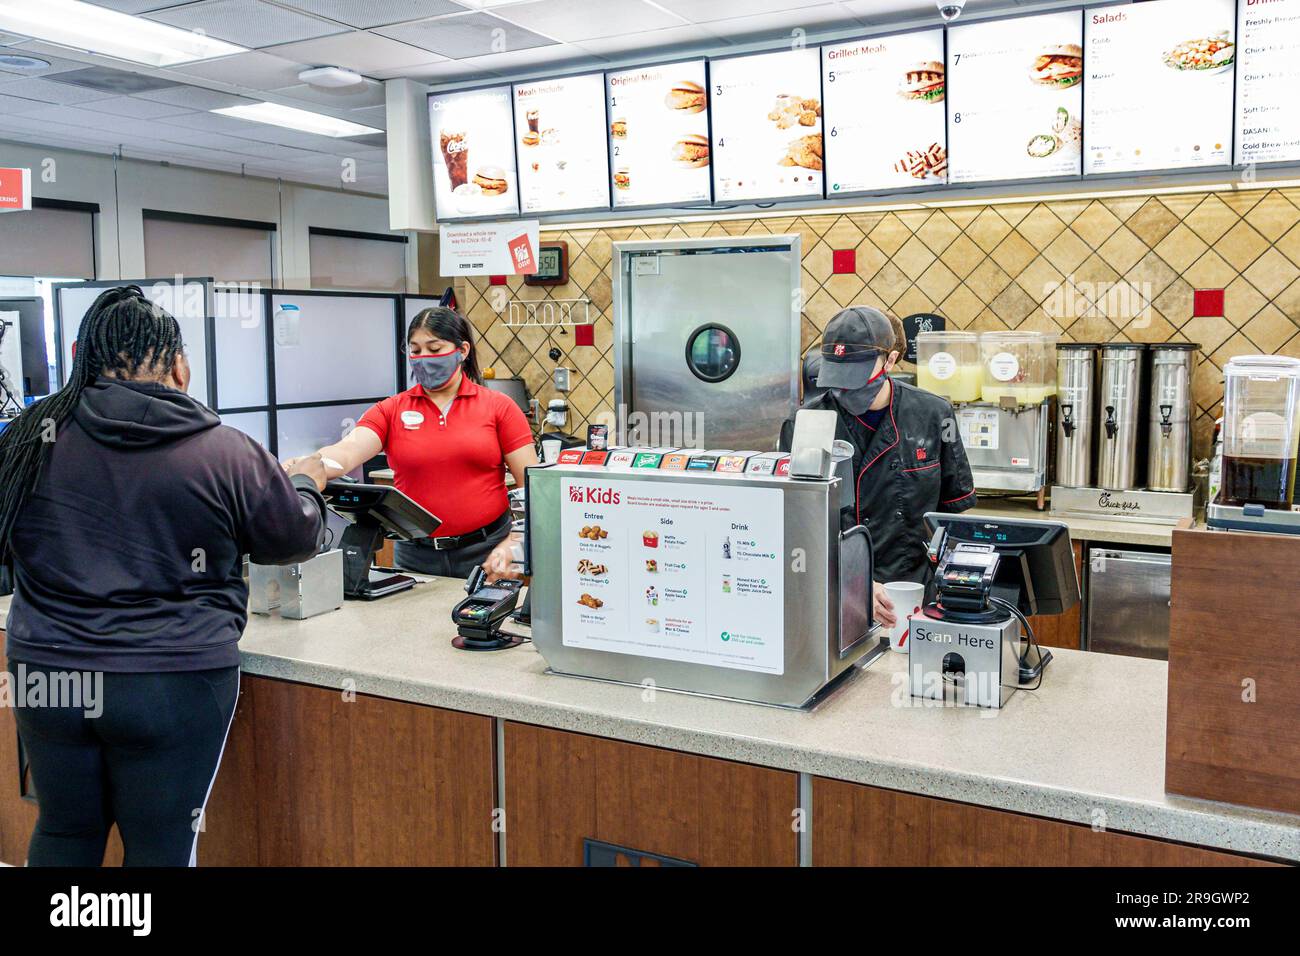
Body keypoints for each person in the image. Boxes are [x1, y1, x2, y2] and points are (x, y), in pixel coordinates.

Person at [0, 286, 328, 866]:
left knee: (64, 830)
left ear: (83, 358)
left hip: (46, 674)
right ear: (180, 366)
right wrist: (303, 485)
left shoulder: (28, 441)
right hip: (170, 681)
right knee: (160, 848)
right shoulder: (223, 451)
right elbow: (291, 539)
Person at [283, 306, 537, 581]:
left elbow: (532, 485)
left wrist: (516, 542)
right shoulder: (392, 410)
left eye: (434, 348)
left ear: (462, 350)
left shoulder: (499, 407)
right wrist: (310, 465)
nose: (423, 358)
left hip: (487, 552)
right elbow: (347, 450)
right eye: (415, 350)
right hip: (414, 555)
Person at [780, 306, 976, 629]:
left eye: (854, 377)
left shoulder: (934, 415)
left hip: (915, 602)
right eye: (836, 377)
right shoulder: (802, 425)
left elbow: (954, 519)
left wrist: (951, 595)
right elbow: (798, 529)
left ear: (891, 360)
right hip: (836, 602)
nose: (844, 390)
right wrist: (851, 581)